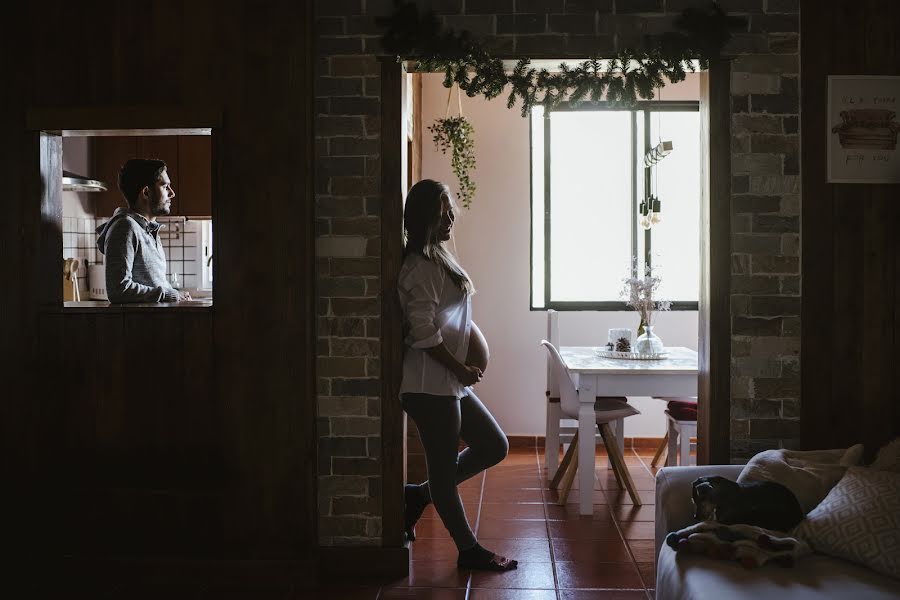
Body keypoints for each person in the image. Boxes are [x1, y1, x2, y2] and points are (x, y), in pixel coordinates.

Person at [398, 179, 517, 572]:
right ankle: (468, 551)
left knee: (494, 445)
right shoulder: (417, 266)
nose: (450, 218)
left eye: (451, 211)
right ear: (423, 216)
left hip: (448, 384)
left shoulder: (439, 258)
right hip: (429, 385)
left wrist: (468, 359)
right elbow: (423, 333)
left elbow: (452, 317)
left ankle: (417, 496)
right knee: (445, 474)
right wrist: (461, 368)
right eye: (442, 211)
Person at [95, 158, 191, 303]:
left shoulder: (147, 229)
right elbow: (118, 290)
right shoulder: (125, 227)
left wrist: (176, 295)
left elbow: (154, 284)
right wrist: (169, 295)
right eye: (165, 187)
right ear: (146, 192)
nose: (172, 193)